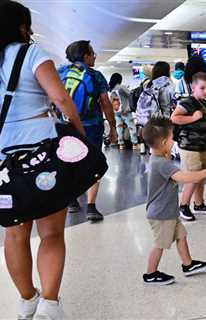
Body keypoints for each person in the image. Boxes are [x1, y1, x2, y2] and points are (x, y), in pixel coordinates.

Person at [0, 2, 86, 319]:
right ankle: (49, 305)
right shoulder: (31, 53)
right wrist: (78, 132)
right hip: (40, 154)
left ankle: (27, 301)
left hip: (2, 160)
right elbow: (61, 99)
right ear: (22, 26)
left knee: (15, 233)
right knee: (50, 233)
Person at [142, 116, 206, 284]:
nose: (174, 141)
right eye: (172, 138)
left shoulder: (161, 158)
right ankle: (150, 273)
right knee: (160, 244)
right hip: (161, 214)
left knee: (181, 236)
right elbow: (183, 178)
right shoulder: (161, 163)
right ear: (164, 142)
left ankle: (188, 264)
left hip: (167, 212)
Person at [58, 40, 116, 221]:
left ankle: (72, 200)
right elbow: (105, 104)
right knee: (93, 162)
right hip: (92, 126)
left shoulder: (60, 73)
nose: (94, 56)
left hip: (66, 126)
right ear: (85, 55)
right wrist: (113, 127)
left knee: (69, 161)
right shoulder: (95, 75)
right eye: (92, 53)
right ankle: (91, 207)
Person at [171, 72, 206, 221]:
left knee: (201, 175)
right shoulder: (187, 102)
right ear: (193, 87)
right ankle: (183, 205)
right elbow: (174, 117)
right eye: (202, 88)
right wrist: (193, 117)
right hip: (189, 146)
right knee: (193, 175)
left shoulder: (203, 103)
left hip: (201, 145)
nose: (205, 91)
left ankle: (199, 204)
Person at [109, 73, 139, 150]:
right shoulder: (121, 87)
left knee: (119, 127)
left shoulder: (112, 89)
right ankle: (135, 144)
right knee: (131, 127)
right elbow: (130, 94)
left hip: (116, 111)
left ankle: (121, 144)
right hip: (125, 111)